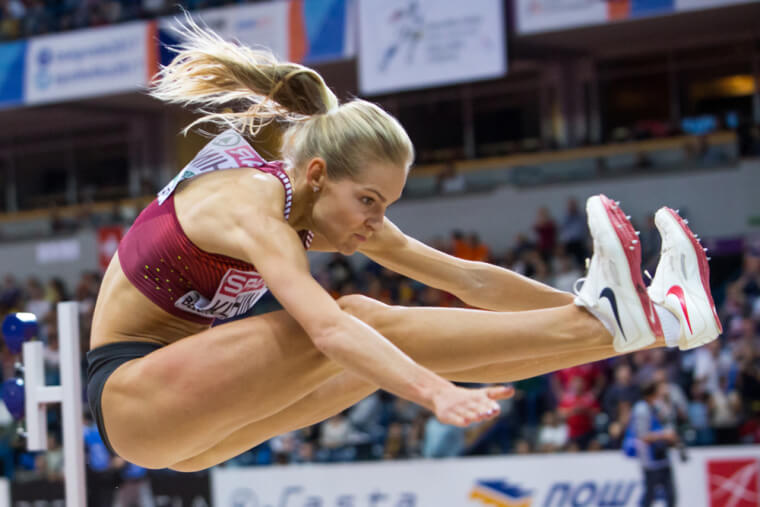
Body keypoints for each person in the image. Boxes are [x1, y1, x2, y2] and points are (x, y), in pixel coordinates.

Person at [85, 18, 721, 472]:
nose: (375, 221)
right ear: (316, 175)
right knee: (361, 320)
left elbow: (470, 281)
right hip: (133, 398)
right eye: (368, 201)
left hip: (193, 418)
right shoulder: (249, 205)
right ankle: (615, 319)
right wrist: (433, 393)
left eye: (386, 205)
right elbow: (329, 328)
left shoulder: (321, 203)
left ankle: (657, 324)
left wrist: (601, 307)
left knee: (379, 353)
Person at [630, 381, 678, 507]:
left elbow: (668, 421)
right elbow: (642, 436)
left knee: (671, 496)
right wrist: (664, 435)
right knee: (650, 495)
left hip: (663, 457)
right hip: (650, 460)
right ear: (651, 395)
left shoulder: (657, 406)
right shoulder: (641, 409)